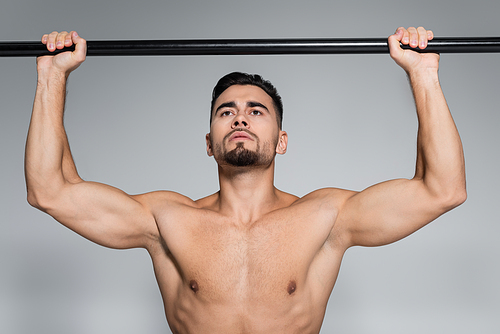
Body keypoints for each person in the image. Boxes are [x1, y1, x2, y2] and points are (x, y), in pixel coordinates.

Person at [25, 27, 466, 334]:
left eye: (257, 111)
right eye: (226, 111)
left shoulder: (325, 216)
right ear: (209, 141)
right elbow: (50, 190)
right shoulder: (166, 219)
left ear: (281, 140)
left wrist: (423, 75)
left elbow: (442, 189)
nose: (240, 116)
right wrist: (52, 78)